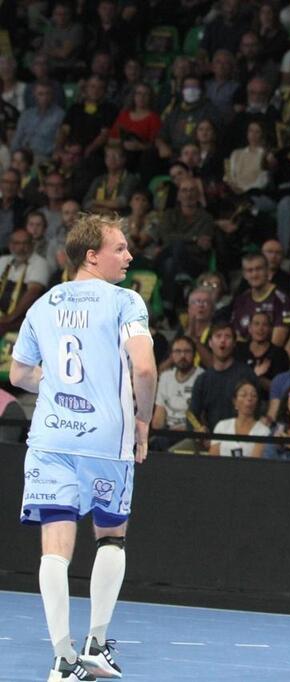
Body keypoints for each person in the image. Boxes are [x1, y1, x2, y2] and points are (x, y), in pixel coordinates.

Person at [11, 213, 157, 681]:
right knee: (111, 536)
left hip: (50, 437)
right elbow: (147, 369)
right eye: (120, 248)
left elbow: (18, 377)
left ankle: (61, 658)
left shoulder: (42, 304)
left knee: (54, 548)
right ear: (92, 255)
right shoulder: (125, 301)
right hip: (104, 440)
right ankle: (95, 644)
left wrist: (54, 382)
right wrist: (143, 420)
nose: (129, 256)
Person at [209, 379, 272, 458]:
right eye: (243, 395)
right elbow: (213, 460)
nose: (249, 398)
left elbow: (255, 464)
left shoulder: (264, 431)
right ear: (235, 401)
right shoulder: (222, 426)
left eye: (254, 395)